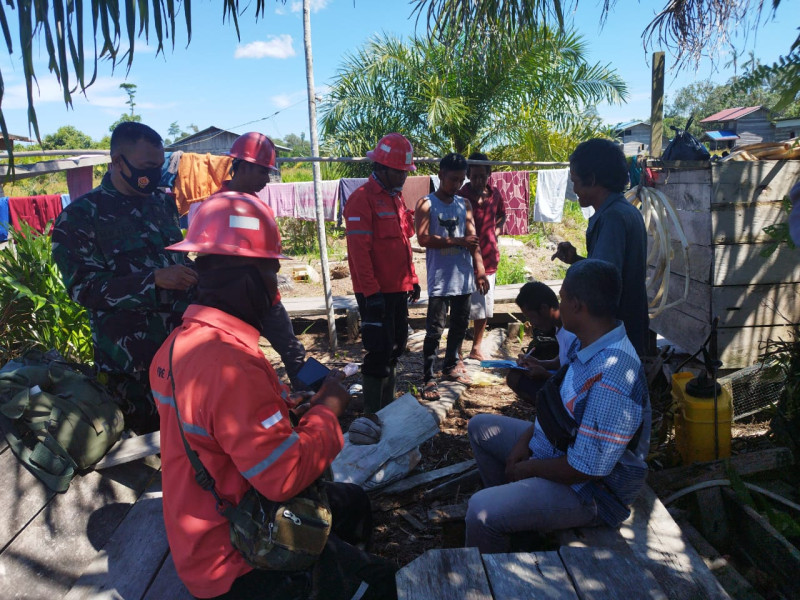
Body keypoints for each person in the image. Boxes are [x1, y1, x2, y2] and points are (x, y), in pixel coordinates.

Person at [151, 191, 397, 600]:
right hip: (237, 556)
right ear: (249, 278)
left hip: (202, 530)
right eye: (271, 275)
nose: (275, 291)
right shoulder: (228, 364)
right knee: (383, 582)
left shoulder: (176, 345)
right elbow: (281, 479)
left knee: (352, 502)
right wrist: (327, 412)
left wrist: (286, 411)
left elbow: (216, 430)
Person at [465, 259, 651, 553]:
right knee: (479, 428)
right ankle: (518, 524)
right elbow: (553, 403)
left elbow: (585, 468)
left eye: (562, 297)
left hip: (587, 492)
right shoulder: (586, 342)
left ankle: (497, 567)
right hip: (555, 449)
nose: (559, 304)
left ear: (578, 306)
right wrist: (523, 443)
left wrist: (527, 469)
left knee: (480, 512)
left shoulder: (613, 373)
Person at [52, 122, 196, 434]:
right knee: (147, 450)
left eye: (160, 166)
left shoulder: (163, 204)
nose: (156, 174)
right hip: (132, 366)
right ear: (118, 162)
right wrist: (152, 280)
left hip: (182, 350)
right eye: (147, 166)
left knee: (192, 437)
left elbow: (177, 258)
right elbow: (83, 290)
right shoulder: (80, 216)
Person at [196, 131, 308, 390]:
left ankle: (311, 400)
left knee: (293, 351)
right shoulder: (214, 207)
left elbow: (269, 258)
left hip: (267, 298)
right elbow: (205, 258)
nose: (267, 180)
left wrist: (268, 291)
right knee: (236, 359)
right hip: (231, 305)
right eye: (262, 172)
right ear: (243, 166)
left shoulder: (260, 207)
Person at [344, 133, 421, 413]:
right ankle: (373, 412)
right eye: (399, 172)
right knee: (379, 350)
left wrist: (412, 279)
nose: (403, 177)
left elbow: (403, 244)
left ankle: (387, 407)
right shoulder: (361, 200)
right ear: (381, 167)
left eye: (405, 172)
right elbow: (359, 253)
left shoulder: (396, 199)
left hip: (398, 289)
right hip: (376, 293)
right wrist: (371, 293)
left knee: (397, 346)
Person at [551, 138, 650, 356]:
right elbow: (609, 271)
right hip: (625, 334)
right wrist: (577, 261)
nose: (574, 189)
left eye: (575, 181)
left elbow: (602, 286)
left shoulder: (612, 218)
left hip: (613, 341)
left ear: (592, 179)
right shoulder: (625, 210)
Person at [415, 152, 488, 401]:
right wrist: (458, 240)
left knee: (459, 325)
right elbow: (423, 238)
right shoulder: (426, 204)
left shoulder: (463, 204)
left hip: (463, 278)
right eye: (453, 179)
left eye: (460, 180)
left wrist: (479, 270)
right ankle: (428, 377)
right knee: (435, 330)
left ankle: (450, 365)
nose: (457, 184)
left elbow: (473, 241)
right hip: (441, 280)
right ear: (440, 175)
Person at [458, 152, 506, 361]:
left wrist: (495, 232)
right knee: (462, 307)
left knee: (484, 307)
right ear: (468, 174)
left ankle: (476, 347)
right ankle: (456, 350)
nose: (478, 180)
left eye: (482, 176)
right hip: (463, 261)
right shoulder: (461, 195)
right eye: (474, 175)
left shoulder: (495, 195)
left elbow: (503, 215)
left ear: (489, 174)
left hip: (489, 259)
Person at [507, 281, 576, 403]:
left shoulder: (572, 332)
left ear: (544, 309)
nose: (532, 323)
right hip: (564, 380)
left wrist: (545, 375)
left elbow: (576, 381)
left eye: (532, 317)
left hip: (571, 393)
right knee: (515, 374)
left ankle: (554, 415)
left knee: (515, 378)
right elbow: (563, 359)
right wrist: (539, 363)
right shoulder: (559, 326)